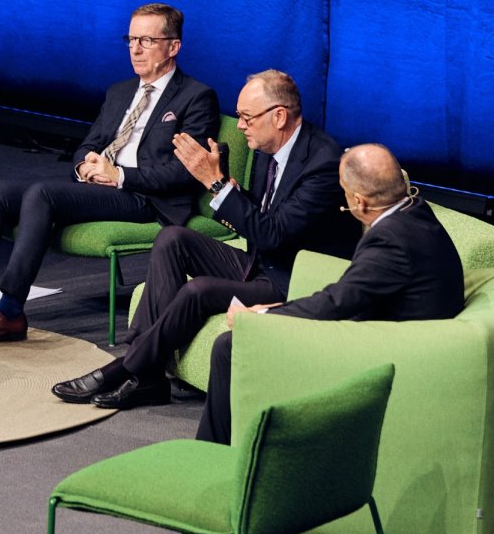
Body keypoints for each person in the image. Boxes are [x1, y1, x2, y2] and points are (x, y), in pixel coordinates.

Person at [0, 3, 219, 344]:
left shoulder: (196, 97)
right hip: (102, 185)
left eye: (147, 41)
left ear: (173, 46)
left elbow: (184, 172)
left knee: (43, 194)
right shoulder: (120, 92)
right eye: (131, 39)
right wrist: (85, 166)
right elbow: (87, 144)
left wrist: (120, 175)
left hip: (145, 197)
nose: (135, 49)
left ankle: (9, 311)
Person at [52, 69, 358, 409]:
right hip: (262, 261)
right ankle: (147, 374)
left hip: (291, 279)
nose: (240, 127)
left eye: (247, 118)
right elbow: (262, 216)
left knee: (198, 290)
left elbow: (273, 234)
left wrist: (217, 185)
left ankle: (128, 368)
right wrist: (228, 188)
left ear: (279, 116)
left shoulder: (323, 164)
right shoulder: (268, 148)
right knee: (172, 238)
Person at [194, 143, 465, 444]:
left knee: (231, 345)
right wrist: (280, 308)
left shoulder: (390, 242)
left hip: (386, 356)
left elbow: (336, 304)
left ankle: (210, 452)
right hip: (393, 333)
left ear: (359, 203)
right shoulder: (414, 209)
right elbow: (348, 296)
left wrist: (260, 316)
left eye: (344, 194)